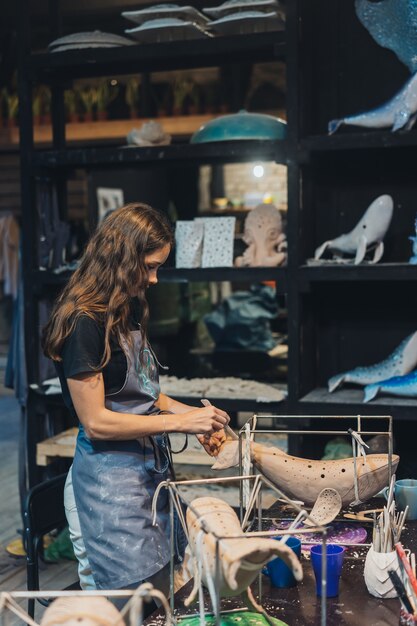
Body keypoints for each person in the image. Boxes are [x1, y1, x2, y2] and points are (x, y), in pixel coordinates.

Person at [42, 203, 230, 594]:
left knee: (158, 593)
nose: (155, 279)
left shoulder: (123, 310)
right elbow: (96, 422)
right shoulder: (84, 322)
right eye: (149, 267)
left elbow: (144, 393)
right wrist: (181, 422)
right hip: (106, 486)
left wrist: (198, 416)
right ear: (121, 258)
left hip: (145, 475)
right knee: (123, 602)